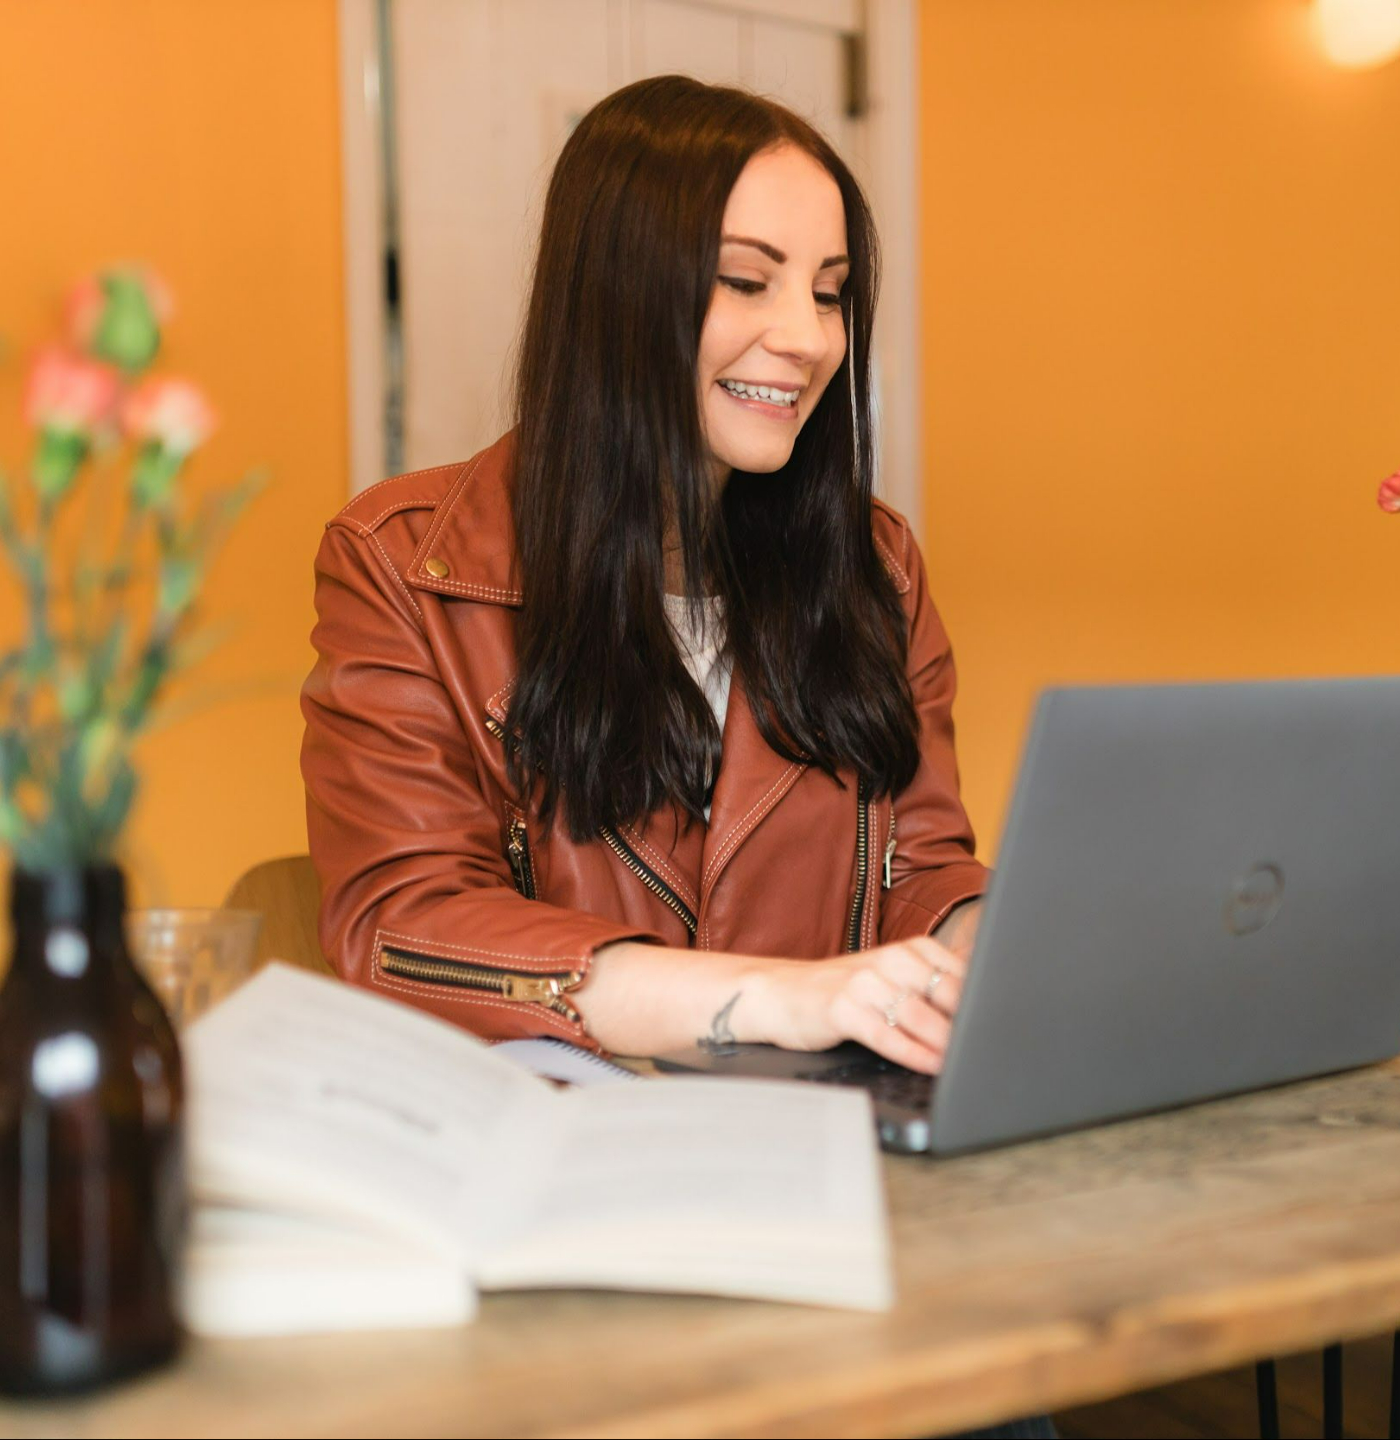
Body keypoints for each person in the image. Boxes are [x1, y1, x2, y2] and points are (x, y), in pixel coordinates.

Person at [300, 76, 987, 1075]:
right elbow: (403, 925)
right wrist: (772, 998)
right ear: (615, 294)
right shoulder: (405, 564)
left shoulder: (876, 569)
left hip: (821, 1156)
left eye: (829, 292)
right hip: (554, 1170)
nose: (806, 336)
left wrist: (986, 952)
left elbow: (921, 870)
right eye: (746, 281)